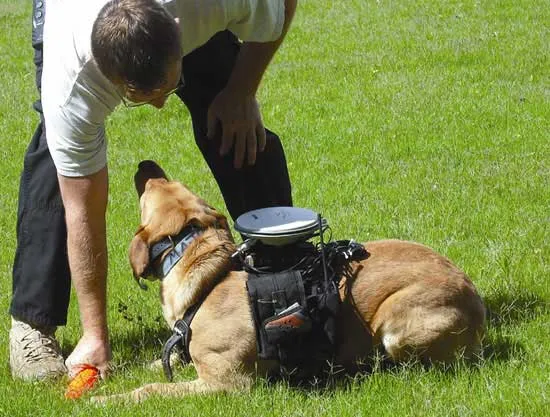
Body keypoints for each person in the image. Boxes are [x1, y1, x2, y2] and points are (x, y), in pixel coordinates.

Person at [9, 0, 296, 381]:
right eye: (140, 98)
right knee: (59, 159)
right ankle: (32, 323)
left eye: (168, 86)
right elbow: (82, 209)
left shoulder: (212, 5)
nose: (161, 105)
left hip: (188, 18)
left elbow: (283, 5)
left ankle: (285, 278)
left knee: (234, 116)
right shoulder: (73, 78)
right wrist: (95, 335)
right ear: (110, 76)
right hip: (75, 19)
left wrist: (242, 92)